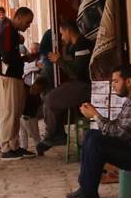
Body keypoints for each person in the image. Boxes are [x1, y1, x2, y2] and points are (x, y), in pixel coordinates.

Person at [65, 63, 131, 198]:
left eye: (116, 81)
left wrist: (95, 116)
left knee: (96, 142)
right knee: (91, 135)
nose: (113, 86)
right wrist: (97, 115)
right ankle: (85, 188)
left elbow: (120, 134)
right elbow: (116, 126)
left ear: (128, 81)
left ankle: (89, 197)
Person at [37, 20, 95, 154]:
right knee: (50, 98)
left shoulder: (82, 45)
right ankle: (56, 134)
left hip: (85, 86)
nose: (62, 38)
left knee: (51, 99)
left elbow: (76, 72)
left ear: (68, 31)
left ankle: (55, 136)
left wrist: (59, 61)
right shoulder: (74, 46)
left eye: (62, 34)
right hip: (79, 84)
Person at [0, 6, 35, 159]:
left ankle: (14, 145)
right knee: (9, 112)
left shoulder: (12, 32)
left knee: (16, 112)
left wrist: (24, 59)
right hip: (8, 77)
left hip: (15, 76)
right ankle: (6, 148)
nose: (28, 26)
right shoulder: (7, 30)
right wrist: (23, 59)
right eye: (27, 22)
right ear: (18, 17)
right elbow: (6, 57)